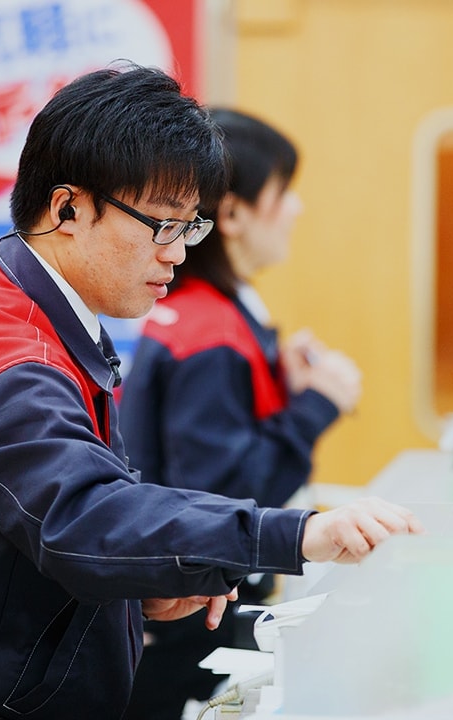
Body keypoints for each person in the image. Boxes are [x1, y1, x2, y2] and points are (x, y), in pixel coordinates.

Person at [0, 65, 423, 720]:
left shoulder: (16, 305)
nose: (176, 252)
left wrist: (133, 588)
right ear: (68, 208)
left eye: (189, 226)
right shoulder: (13, 360)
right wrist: (298, 536)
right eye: (162, 224)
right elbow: (82, 517)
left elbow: (38, 519)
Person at [118, 108, 363, 719]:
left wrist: (283, 380)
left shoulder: (209, 314)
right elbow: (223, 495)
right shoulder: (212, 332)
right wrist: (317, 405)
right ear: (230, 215)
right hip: (187, 625)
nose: (297, 210)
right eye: (283, 192)